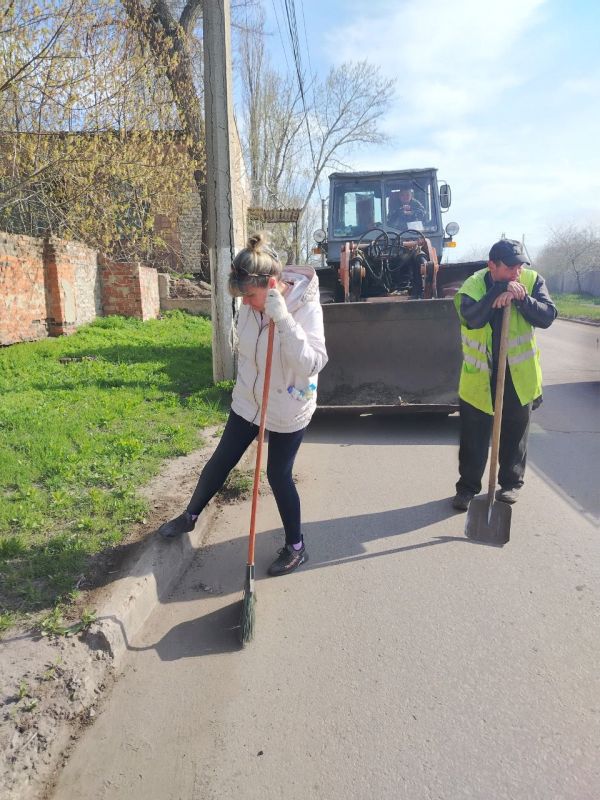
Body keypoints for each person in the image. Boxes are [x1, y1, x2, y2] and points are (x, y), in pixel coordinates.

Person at [158, 233, 328, 575]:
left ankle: (297, 547)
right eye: (242, 296)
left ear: (272, 284)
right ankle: (190, 515)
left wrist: (283, 321)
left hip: (289, 405)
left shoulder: (303, 307)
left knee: (278, 475)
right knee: (222, 458)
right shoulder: (250, 307)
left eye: (250, 295)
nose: (246, 303)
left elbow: (312, 364)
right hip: (249, 401)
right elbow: (248, 354)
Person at [452, 238, 557, 511]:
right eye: (510, 268)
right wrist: (496, 293)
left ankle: (510, 484)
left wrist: (522, 298)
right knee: (473, 438)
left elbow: (547, 316)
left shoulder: (532, 281)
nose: (516, 273)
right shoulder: (473, 286)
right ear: (492, 266)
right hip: (480, 376)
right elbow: (472, 318)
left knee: (514, 434)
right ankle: (467, 488)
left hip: (519, 376)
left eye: (519, 267)